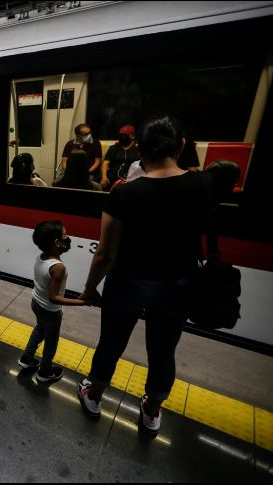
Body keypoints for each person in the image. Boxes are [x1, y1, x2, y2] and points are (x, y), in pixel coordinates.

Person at [77, 114, 210, 435]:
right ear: (180, 146)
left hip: (127, 282)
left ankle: (94, 394)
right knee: (164, 350)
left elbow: (106, 254)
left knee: (111, 343)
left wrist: (90, 288)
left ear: (140, 149)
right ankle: (151, 409)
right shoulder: (203, 186)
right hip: (178, 283)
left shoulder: (124, 193)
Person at [17, 220, 86, 383]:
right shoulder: (58, 267)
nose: (68, 238)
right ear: (57, 242)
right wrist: (81, 302)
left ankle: (26, 359)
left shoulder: (40, 256)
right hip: (50, 311)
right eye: (65, 236)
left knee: (39, 329)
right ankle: (45, 372)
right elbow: (53, 297)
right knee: (51, 343)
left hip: (36, 302)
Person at [101, 124, 140, 190]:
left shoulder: (138, 148)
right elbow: (105, 163)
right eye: (121, 135)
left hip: (132, 179)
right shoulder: (113, 148)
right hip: (113, 179)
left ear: (133, 136)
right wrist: (104, 177)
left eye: (125, 136)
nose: (122, 137)